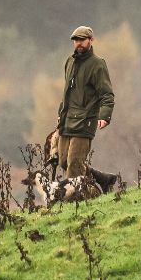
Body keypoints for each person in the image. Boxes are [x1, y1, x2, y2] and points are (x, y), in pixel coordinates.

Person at [56, 26, 115, 179]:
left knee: (74, 164)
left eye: (82, 40)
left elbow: (107, 94)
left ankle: (74, 200)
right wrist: (60, 114)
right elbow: (67, 93)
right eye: (76, 40)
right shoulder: (69, 62)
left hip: (85, 121)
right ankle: (100, 179)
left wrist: (105, 116)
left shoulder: (97, 64)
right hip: (67, 120)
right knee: (63, 162)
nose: (79, 43)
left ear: (91, 40)